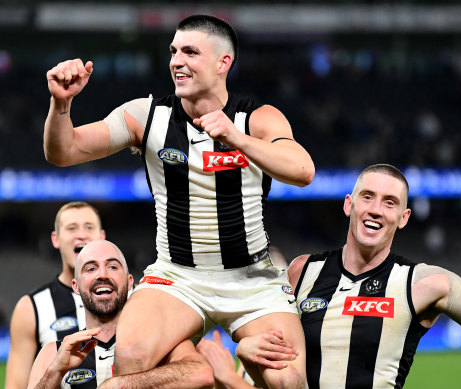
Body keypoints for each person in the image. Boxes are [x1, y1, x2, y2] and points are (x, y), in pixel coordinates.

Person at [43, 14, 313, 389]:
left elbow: (303, 170)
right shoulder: (146, 115)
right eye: (173, 51)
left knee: (287, 380)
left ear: (223, 63)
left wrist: (237, 137)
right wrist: (61, 105)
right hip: (177, 277)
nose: (176, 61)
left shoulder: (257, 118)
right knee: (131, 357)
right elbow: (64, 151)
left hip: (253, 279)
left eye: (190, 51)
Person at [237, 163, 461, 388]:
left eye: (389, 202)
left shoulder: (424, 283)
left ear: (403, 217)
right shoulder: (302, 271)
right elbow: (274, 359)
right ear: (348, 204)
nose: (375, 209)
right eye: (367, 197)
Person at [27, 239, 214, 389]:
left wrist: (121, 384)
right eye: (91, 269)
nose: (102, 275)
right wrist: (56, 372)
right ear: (75, 286)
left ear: (130, 281)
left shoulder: (162, 342)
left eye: (113, 267)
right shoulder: (54, 352)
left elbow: (202, 375)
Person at [5, 202, 106, 389]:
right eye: (71, 228)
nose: (81, 234)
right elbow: (15, 385)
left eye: (89, 227)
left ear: (102, 237)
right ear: (55, 239)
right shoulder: (31, 307)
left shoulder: (133, 298)